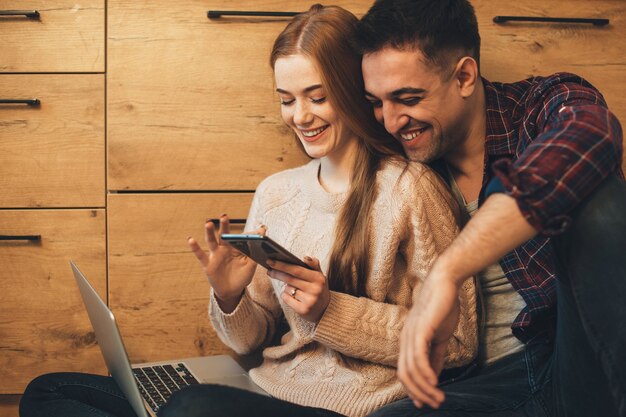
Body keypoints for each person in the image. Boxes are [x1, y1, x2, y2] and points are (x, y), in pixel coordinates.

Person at [18, 5, 477, 417]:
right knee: (48, 392)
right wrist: (231, 297)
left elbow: (458, 343)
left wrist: (330, 310)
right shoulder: (276, 193)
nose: (300, 116)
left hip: (348, 407)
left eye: (317, 97)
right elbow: (249, 341)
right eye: (286, 99)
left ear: (355, 89)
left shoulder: (409, 189)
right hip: (266, 394)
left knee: (191, 407)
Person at [353, 0, 626, 416]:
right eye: (377, 102)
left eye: (407, 98)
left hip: (578, 363)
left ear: (464, 75)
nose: (390, 122)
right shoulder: (397, 167)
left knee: (602, 201)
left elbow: (590, 132)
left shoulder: (539, 105)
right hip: (486, 389)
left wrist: (449, 270)